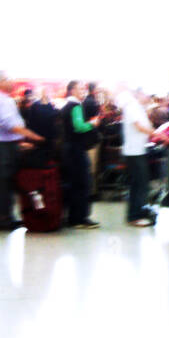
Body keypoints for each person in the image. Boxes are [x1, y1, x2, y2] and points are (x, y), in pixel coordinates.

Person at [0, 71, 44, 231]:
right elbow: (9, 124)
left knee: (6, 182)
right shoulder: (0, 99)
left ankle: (7, 216)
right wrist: (31, 136)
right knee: (3, 182)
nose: (12, 82)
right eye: (8, 80)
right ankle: (3, 219)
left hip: (5, 144)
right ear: (0, 82)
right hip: (3, 146)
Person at [61, 80, 101, 229]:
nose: (82, 91)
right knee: (82, 183)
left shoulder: (66, 106)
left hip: (68, 149)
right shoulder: (75, 106)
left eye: (83, 89)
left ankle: (73, 217)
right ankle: (80, 218)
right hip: (76, 149)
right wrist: (92, 124)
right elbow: (79, 127)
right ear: (71, 90)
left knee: (73, 184)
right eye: (79, 89)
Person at [117, 86, 155, 227]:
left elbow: (146, 126)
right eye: (146, 95)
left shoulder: (139, 108)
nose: (149, 98)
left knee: (140, 183)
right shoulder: (132, 106)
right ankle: (134, 216)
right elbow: (139, 127)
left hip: (139, 150)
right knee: (139, 184)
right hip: (134, 152)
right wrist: (156, 134)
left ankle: (137, 212)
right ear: (139, 94)